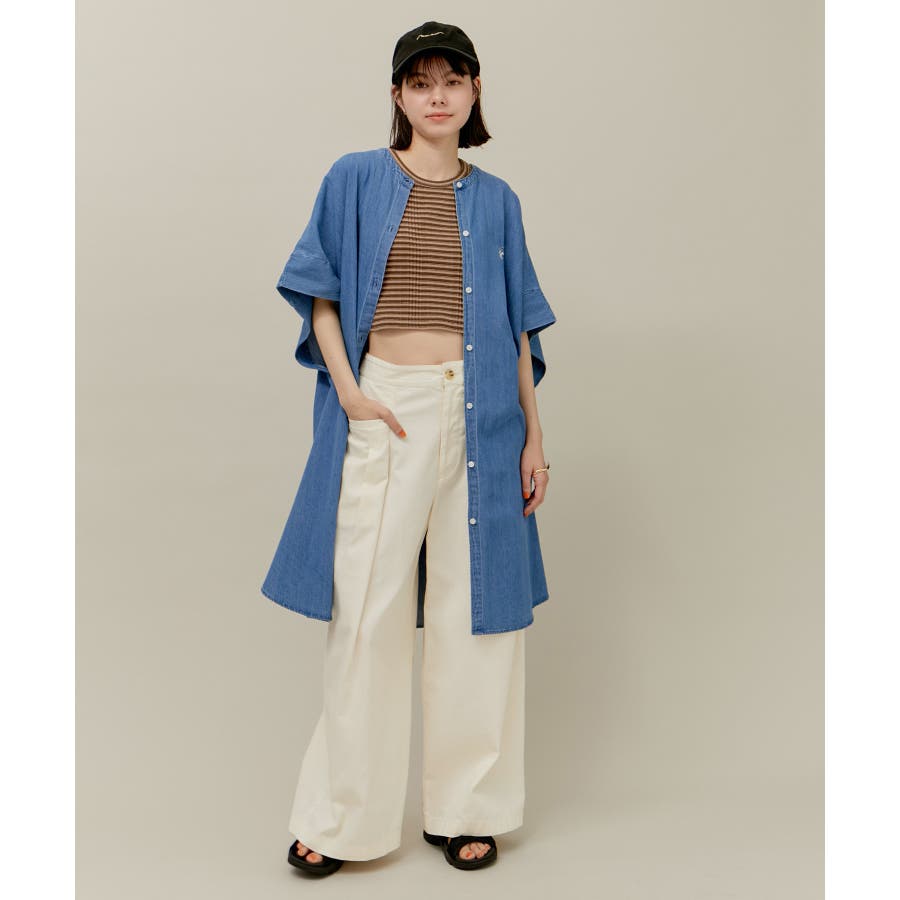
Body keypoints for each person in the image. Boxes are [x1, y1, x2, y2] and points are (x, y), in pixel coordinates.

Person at [265, 20, 557, 876]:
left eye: (452, 81)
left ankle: (470, 809)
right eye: (421, 82)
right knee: (368, 614)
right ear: (398, 95)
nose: (437, 97)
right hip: (386, 406)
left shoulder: (497, 200)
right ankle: (341, 819)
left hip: (484, 413)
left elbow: (517, 329)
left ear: (474, 92)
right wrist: (351, 392)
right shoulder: (355, 177)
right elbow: (320, 292)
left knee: (479, 616)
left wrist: (534, 437)